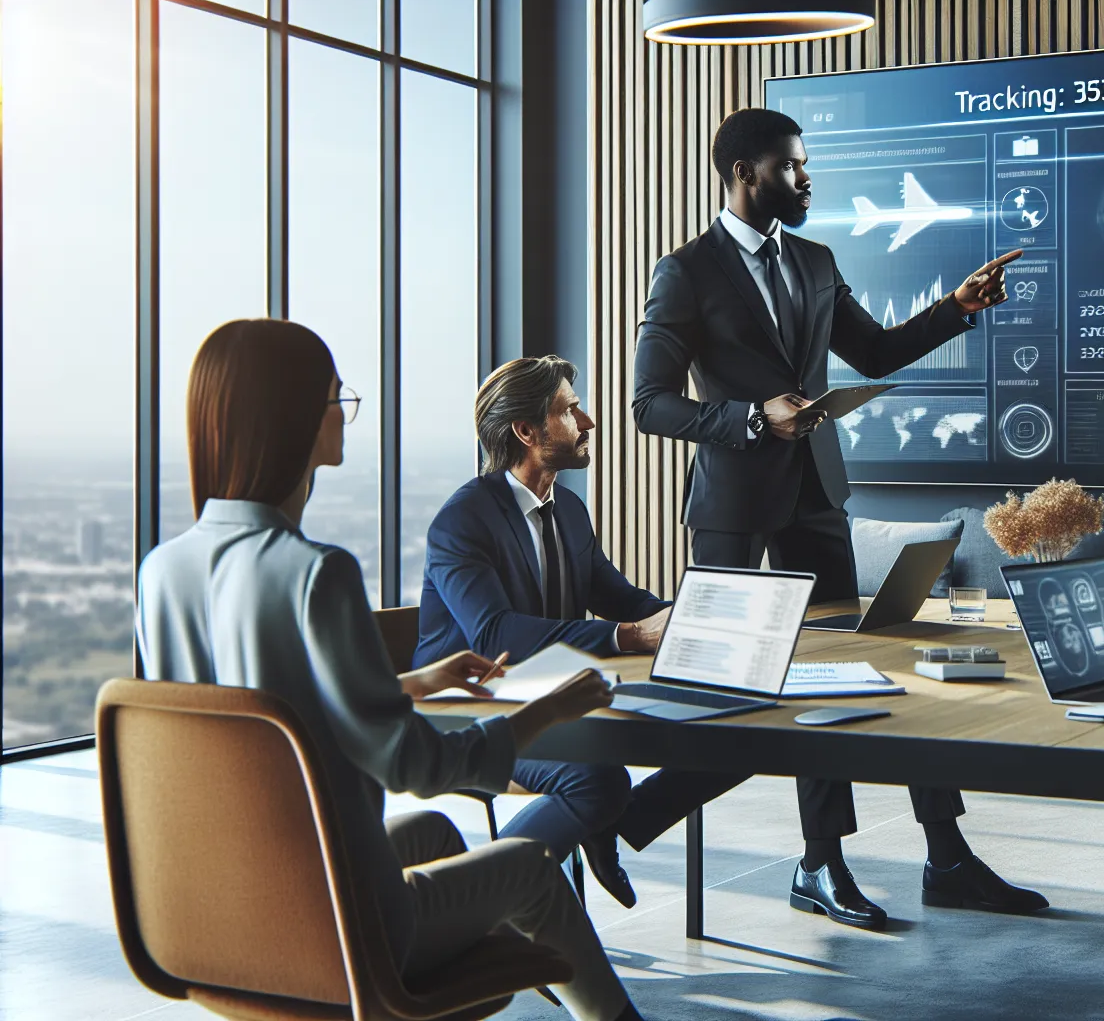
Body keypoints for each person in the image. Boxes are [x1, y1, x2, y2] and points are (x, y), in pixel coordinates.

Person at [136, 319, 647, 1021]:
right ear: (293, 419)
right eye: (334, 397)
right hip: (335, 923)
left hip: (217, 912)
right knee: (526, 870)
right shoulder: (318, 575)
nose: (344, 410)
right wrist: (547, 712)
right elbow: (415, 765)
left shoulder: (161, 573)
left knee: (437, 836)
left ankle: (468, 982)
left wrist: (410, 684)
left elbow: (262, 712)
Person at [632, 107, 1044, 929]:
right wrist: (754, 418)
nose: (807, 178)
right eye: (792, 166)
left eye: (806, 164)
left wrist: (958, 307)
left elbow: (878, 353)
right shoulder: (686, 272)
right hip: (733, 506)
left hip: (818, 492)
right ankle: (815, 864)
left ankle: (947, 855)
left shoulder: (817, 261)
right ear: (746, 172)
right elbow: (650, 404)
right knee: (732, 681)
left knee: (866, 661)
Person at [417, 355, 745, 907]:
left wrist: (707, 619)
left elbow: (621, 597)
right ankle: (471, 899)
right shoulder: (462, 520)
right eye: (571, 411)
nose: (588, 422)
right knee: (596, 779)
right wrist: (626, 637)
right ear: (527, 431)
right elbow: (495, 634)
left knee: (736, 733)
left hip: (553, 691)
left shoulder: (567, 508)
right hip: (472, 708)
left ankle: (612, 824)